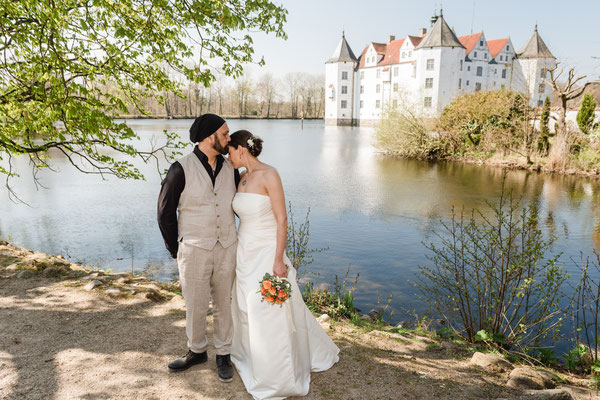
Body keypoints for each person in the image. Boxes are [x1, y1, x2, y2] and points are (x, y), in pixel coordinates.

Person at [227, 130, 339, 399]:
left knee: (268, 309)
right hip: (245, 251)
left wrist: (279, 259)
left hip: (267, 252)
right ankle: (252, 357)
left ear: (241, 149)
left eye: (229, 151)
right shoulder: (241, 177)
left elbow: (282, 220)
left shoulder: (270, 175)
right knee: (245, 307)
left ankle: (278, 371)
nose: (227, 157)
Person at [157, 114, 240, 382]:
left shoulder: (231, 169)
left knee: (224, 304)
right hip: (193, 249)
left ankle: (224, 354)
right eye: (225, 134)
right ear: (208, 136)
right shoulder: (180, 169)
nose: (229, 139)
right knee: (195, 304)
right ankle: (196, 351)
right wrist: (176, 249)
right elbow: (164, 213)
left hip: (227, 246)